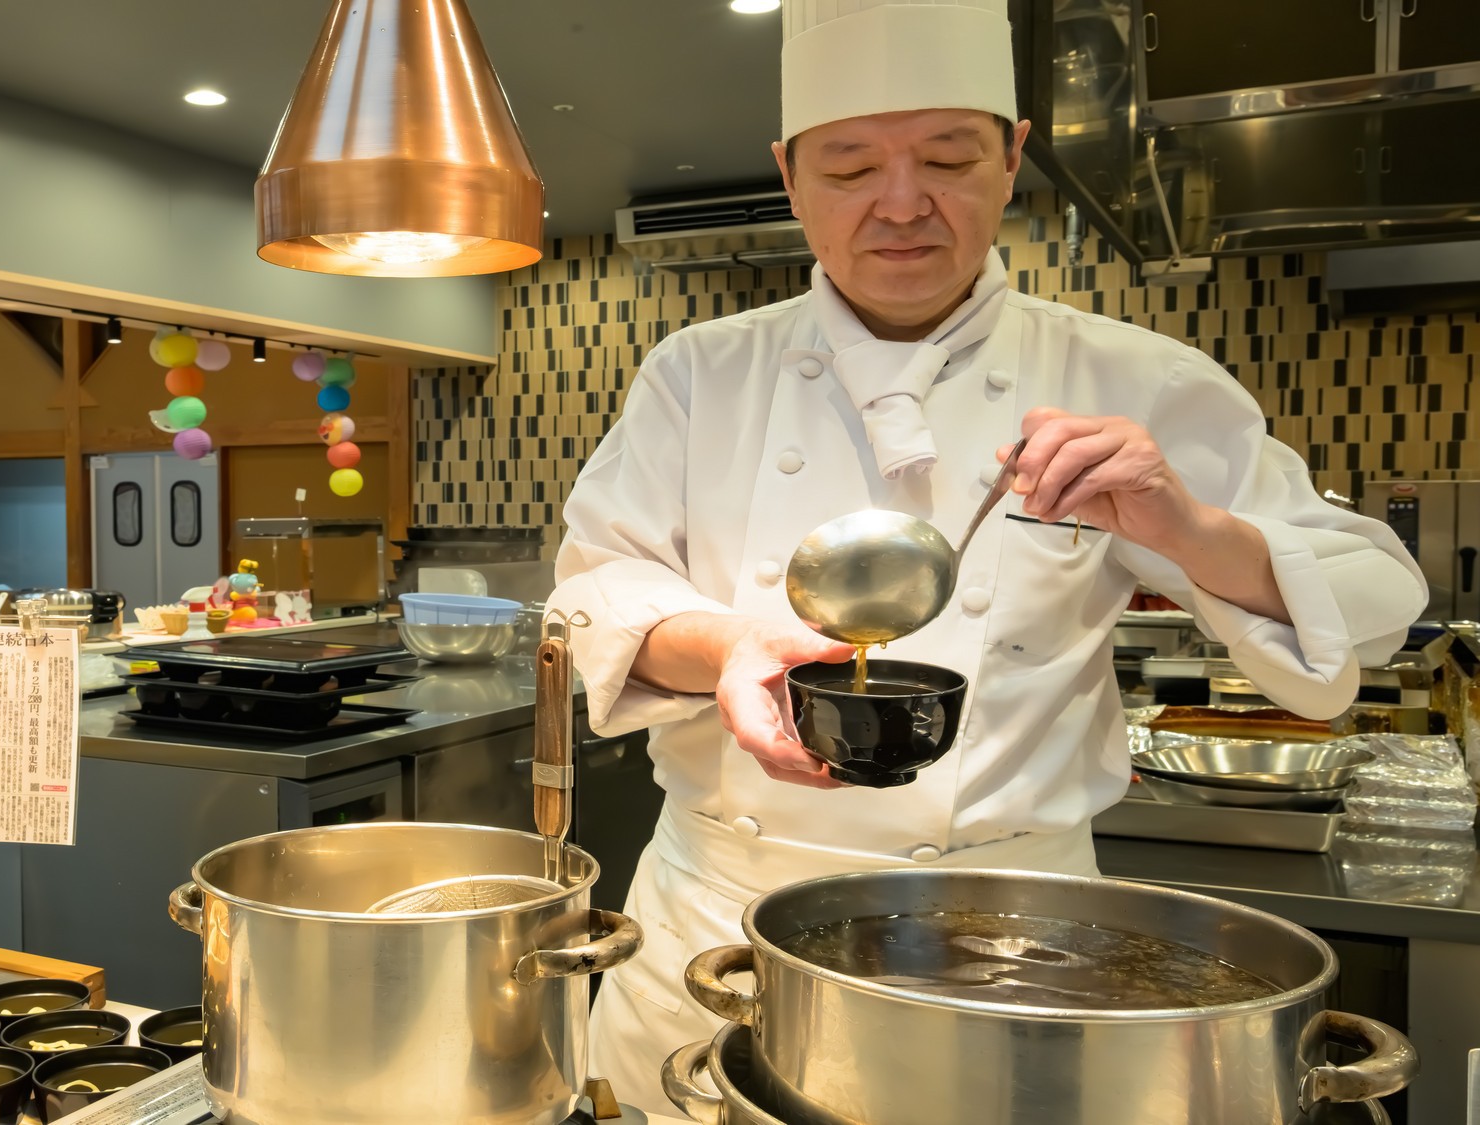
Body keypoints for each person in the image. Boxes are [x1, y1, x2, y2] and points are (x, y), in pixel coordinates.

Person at [549, 0, 1428, 1110]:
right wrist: (727, 645)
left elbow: (1376, 598)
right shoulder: (697, 373)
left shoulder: (1138, 378)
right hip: (715, 927)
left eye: (949, 156)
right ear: (787, 173)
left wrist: (1182, 529)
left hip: (1019, 938)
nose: (901, 204)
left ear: (1011, 156)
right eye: (850, 166)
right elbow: (594, 597)